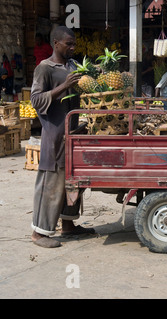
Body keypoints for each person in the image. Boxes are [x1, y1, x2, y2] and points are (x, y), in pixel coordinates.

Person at [30, 26, 95, 248]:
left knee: (72, 182)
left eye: (74, 43)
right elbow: (36, 100)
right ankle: (39, 233)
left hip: (73, 134)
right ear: (56, 43)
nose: (73, 47)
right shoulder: (44, 68)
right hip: (54, 135)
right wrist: (64, 86)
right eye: (69, 43)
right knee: (51, 183)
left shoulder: (72, 66)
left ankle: (68, 225)